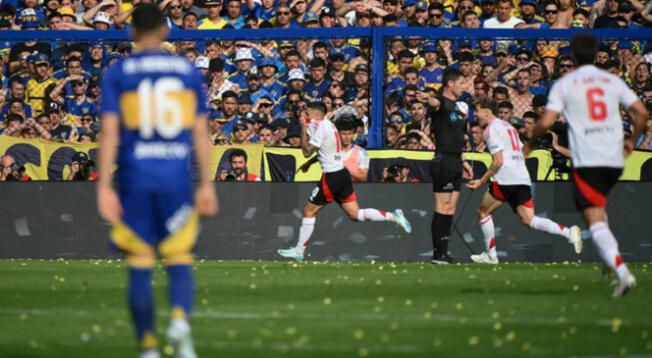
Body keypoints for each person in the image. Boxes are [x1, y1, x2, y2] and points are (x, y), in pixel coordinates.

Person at [97, 4, 217, 358]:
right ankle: (180, 319)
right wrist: (207, 185)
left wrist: (104, 186)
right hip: (175, 179)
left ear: (131, 32)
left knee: (139, 260)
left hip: (136, 179)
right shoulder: (185, 71)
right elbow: (201, 132)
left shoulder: (120, 72)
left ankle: (147, 346)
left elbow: (109, 133)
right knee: (179, 255)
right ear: (166, 32)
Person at [526, 33, 648, 297]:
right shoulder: (613, 81)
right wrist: (632, 140)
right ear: (596, 55)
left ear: (572, 57)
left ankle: (623, 273)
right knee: (598, 209)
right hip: (615, 157)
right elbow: (642, 112)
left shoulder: (565, 84)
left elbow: (545, 123)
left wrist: (529, 143)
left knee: (593, 218)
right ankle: (608, 258)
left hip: (588, 159)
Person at [277, 102, 411, 262]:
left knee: (308, 211)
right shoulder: (327, 124)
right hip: (341, 174)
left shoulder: (322, 128)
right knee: (356, 214)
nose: (305, 114)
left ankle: (299, 251)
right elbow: (323, 147)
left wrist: (302, 128)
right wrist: (309, 163)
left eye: (307, 112)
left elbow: (306, 151)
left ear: (316, 113)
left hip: (332, 176)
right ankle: (393, 216)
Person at [466, 98, 582, 264]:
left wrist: (480, 181)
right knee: (529, 220)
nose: (475, 115)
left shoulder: (490, 130)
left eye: (477, 111)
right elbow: (522, 151)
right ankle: (569, 233)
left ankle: (491, 256)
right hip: (521, 177)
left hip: (505, 178)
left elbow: (498, 161)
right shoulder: (508, 126)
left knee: (483, 212)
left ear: (486, 110)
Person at [417, 68, 473, 264]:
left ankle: (444, 252)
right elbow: (433, 104)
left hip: (457, 160)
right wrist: (427, 99)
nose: (464, 88)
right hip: (443, 160)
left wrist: (464, 161)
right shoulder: (442, 102)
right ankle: (437, 254)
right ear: (451, 84)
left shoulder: (458, 108)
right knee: (441, 207)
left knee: (451, 209)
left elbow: (458, 137)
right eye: (462, 84)